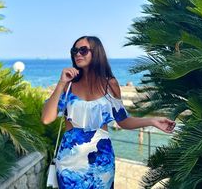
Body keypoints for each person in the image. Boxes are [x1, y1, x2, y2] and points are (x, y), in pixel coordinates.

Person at [41, 36, 175, 188]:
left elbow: (123, 121)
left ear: (96, 52)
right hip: (69, 163)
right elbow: (46, 118)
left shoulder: (110, 84)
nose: (77, 54)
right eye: (75, 50)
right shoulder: (68, 85)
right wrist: (61, 83)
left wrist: (152, 121)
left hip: (101, 162)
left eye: (83, 50)